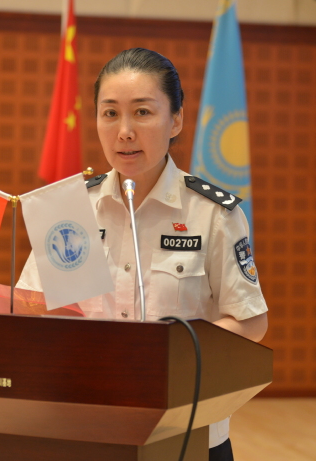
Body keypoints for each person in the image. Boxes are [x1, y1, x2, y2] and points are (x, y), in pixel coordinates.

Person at [17, 47, 268, 461]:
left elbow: (252, 320)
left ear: (176, 120)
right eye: (110, 113)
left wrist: (173, 354)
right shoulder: (68, 208)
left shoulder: (213, 214)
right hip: (85, 430)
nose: (124, 131)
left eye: (143, 112)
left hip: (185, 434)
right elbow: (29, 310)